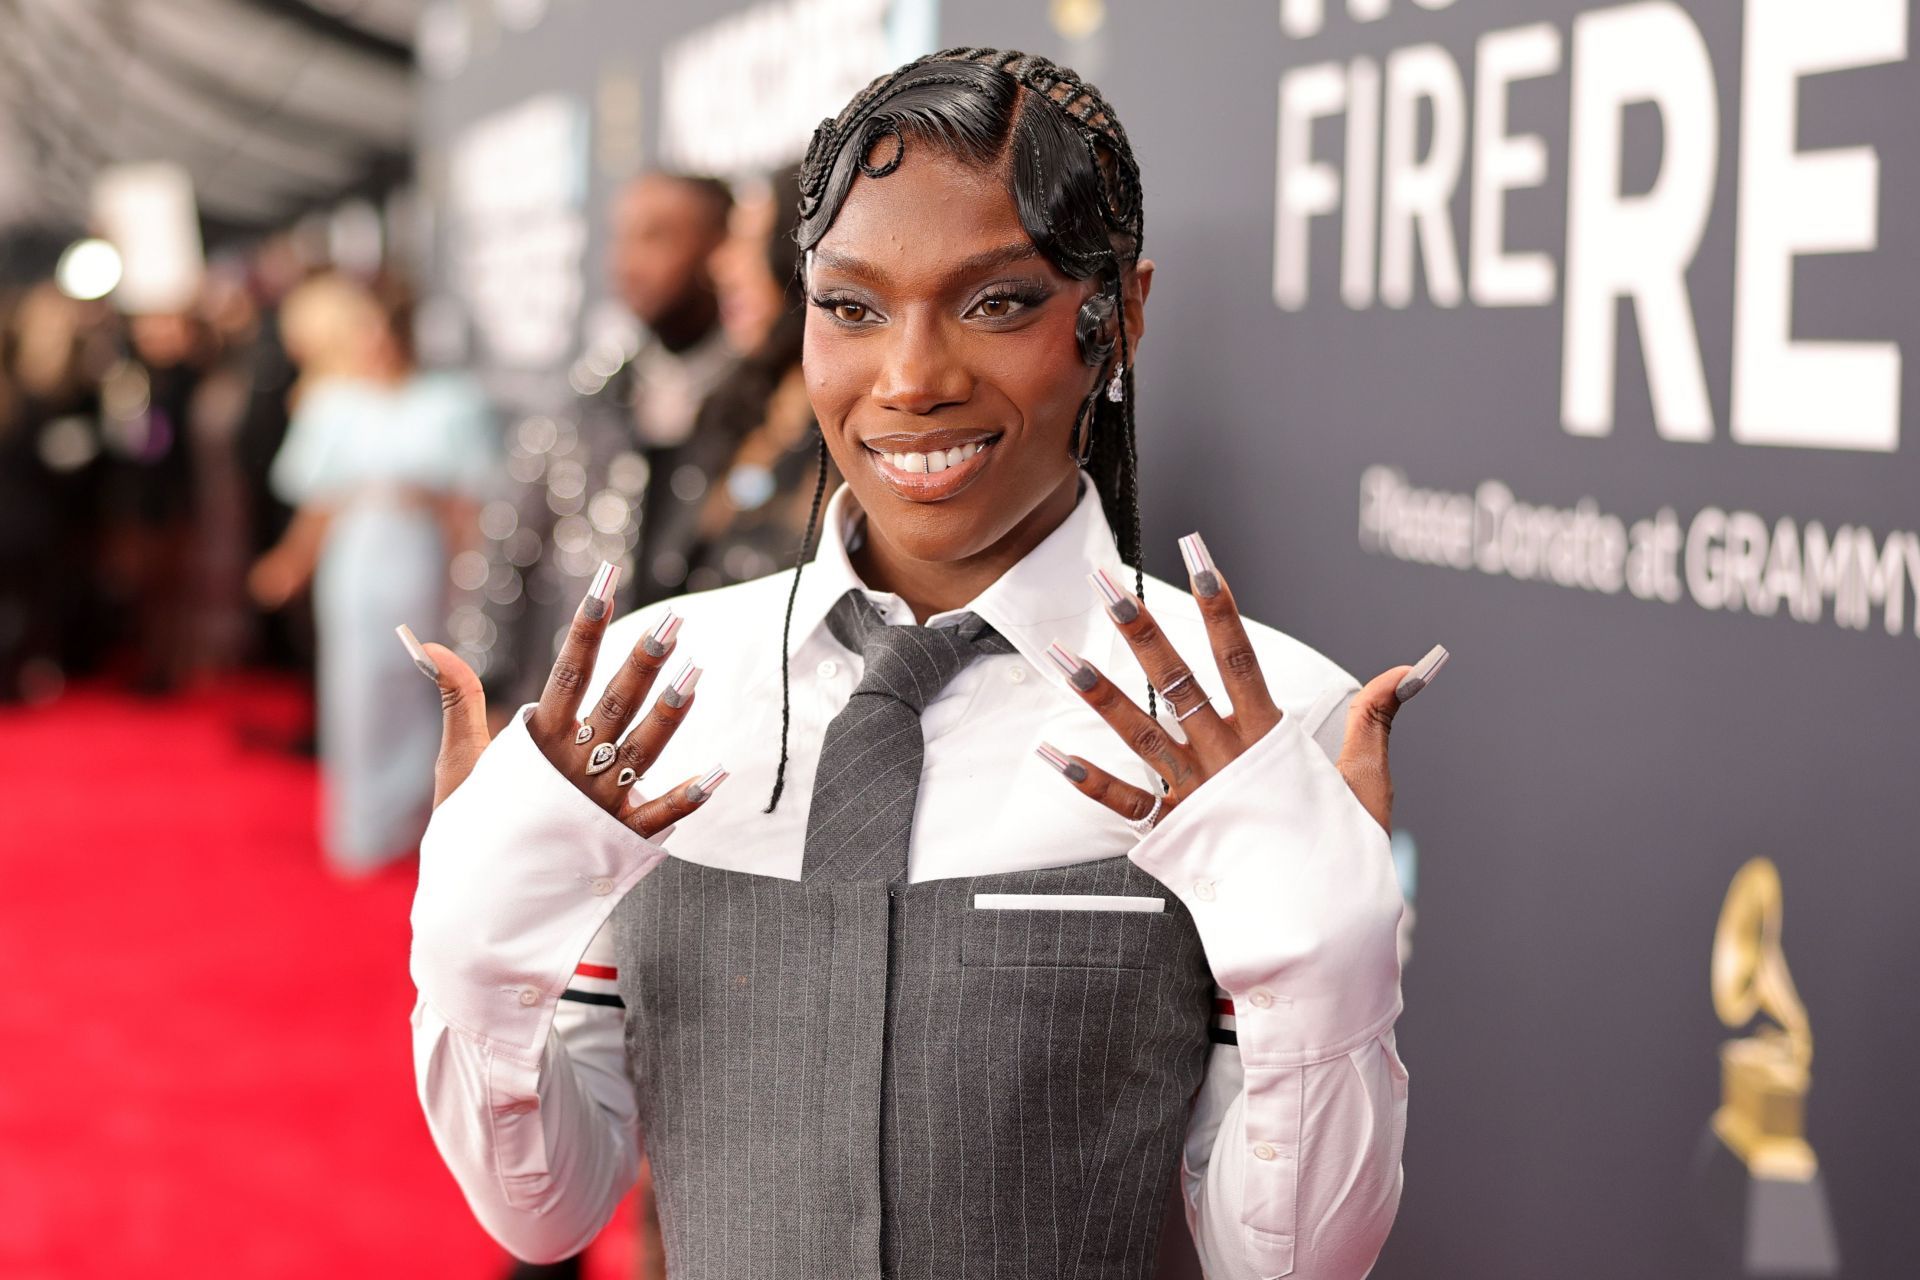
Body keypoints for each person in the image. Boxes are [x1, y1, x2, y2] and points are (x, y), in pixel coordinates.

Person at [409, 49, 1438, 1278]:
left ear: (1121, 314)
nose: (910, 380)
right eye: (851, 306)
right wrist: (473, 933)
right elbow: (547, 1208)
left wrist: (1324, 960)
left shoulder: (1255, 728)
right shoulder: (652, 689)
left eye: (996, 301)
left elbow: (1291, 1260)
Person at [253, 274, 496, 875]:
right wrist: (292, 561)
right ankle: (364, 821)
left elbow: (470, 501)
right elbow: (320, 502)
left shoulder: (450, 402)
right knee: (356, 683)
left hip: (422, 557)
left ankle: (426, 812)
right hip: (357, 559)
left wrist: (474, 574)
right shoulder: (334, 405)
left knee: (427, 675)